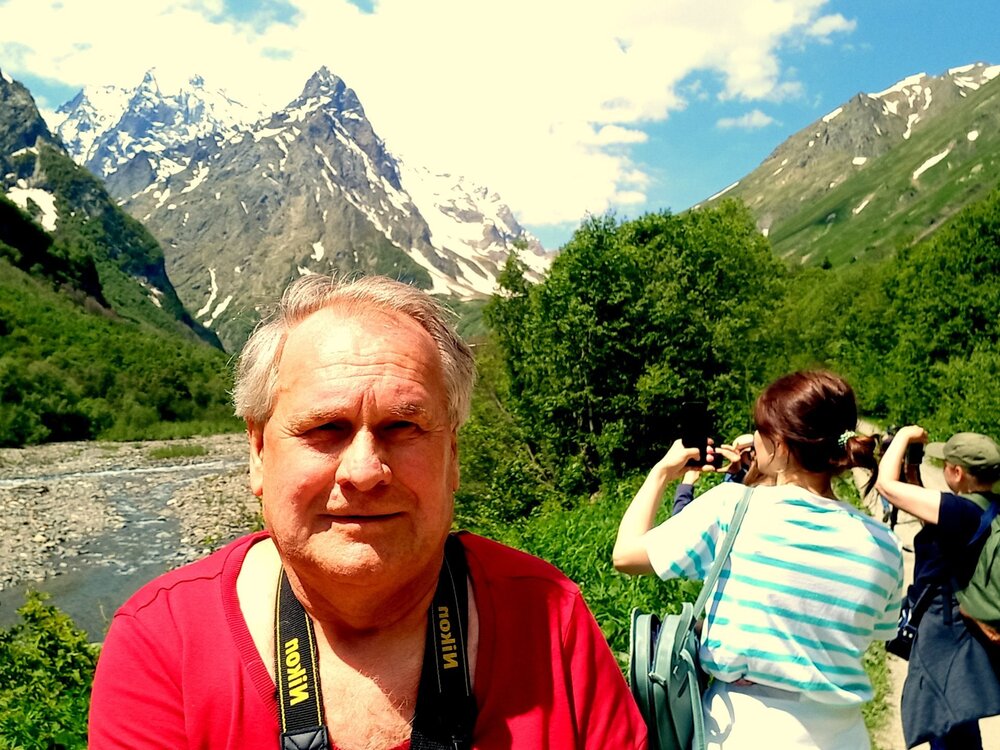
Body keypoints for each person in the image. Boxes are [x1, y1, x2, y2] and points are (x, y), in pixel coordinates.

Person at [88, 274, 646, 749]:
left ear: (452, 454)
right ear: (258, 452)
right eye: (325, 428)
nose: (363, 471)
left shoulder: (548, 617)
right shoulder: (163, 643)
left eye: (402, 426)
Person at [613, 370, 903, 749]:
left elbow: (626, 555)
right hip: (843, 735)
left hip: (744, 728)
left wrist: (662, 472)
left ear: (779, 445)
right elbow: (878, 632)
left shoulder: (733, 507)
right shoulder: (884, 544)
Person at [875, 428, 1000, 750]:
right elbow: (929, 514)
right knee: (956, 711)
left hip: (944, 628)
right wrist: (913, 469)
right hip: (963, 623)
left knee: (942, 714)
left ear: (957, 472)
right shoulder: (984, 507)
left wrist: (903, 436)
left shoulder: (959, 511)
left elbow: (885, 486)